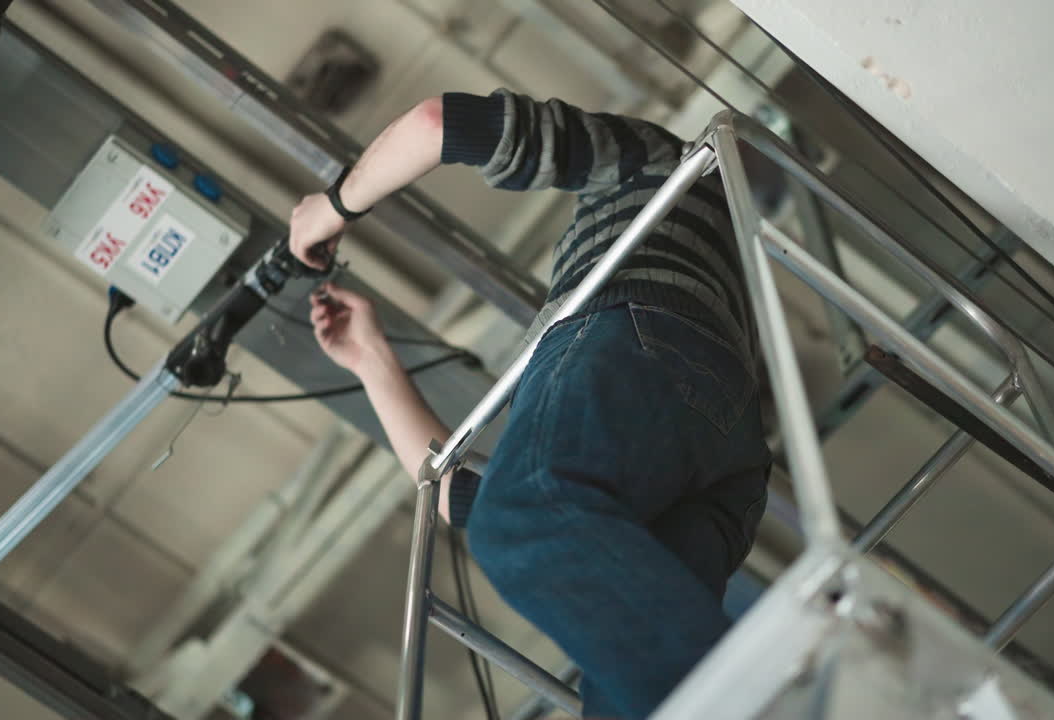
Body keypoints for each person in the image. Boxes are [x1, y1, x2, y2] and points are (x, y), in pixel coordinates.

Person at [289, 89, 771, 719]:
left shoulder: (652, 164)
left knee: (527, 513)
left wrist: (331, 206)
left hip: (644, 340)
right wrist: (370, 358)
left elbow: (440, 124)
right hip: (722, 451)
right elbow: (461, 497)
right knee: (631, 693)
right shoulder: (704, 283)